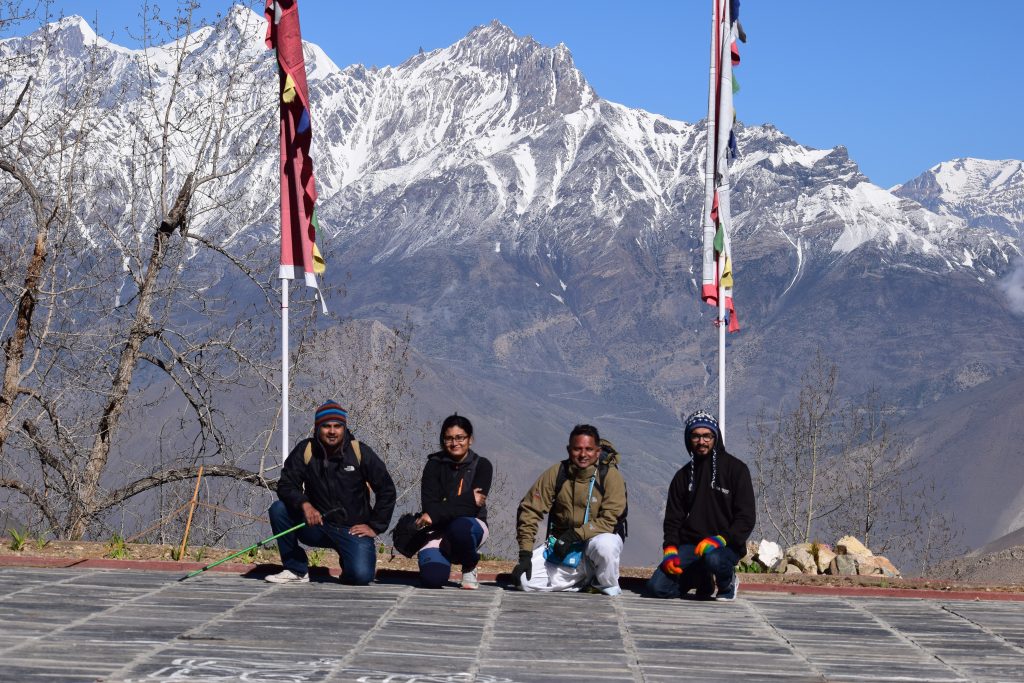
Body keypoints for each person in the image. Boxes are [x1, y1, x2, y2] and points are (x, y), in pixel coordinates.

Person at [266, 400, 397, 585]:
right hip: (316, 526)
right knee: (279, 509)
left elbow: (387, 490)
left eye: (337, 426)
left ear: (344, 428)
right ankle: (295, 568)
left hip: (353, 530)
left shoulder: (359, 452)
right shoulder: (306, 450)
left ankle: (349, 560)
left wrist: (375, 526)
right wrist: (305, 505)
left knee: (360, 576)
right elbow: (286, 485)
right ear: (317, 428)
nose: (332, 431)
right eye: (326, 426)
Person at [647, 410, 755, 601]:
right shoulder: (683, 476)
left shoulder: (736, 470)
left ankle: (727, 584)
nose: (701, 441)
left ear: (715, 436)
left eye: (707, 436)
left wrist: (721, 539)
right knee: (658, 588)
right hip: (691, 546)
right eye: (696, 436)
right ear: (689, 438)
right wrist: (670, 549)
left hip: (725, 546)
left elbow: (746, 518)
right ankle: (701, 578)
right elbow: (673, 519)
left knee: (714, 559)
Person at [511, 424, 627, 595]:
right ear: (568, 449)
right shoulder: (557, 473)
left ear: (597, 451)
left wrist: (574, 535)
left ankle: (603, 583)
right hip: (562, 546)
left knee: (605, 546)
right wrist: (525, 554)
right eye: (577, 449)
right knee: (524, 581)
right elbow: (529, 510)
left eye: (589, 449)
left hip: (595, 541)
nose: (583, 454)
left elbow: (610, 520)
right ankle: (583, 579)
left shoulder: (609, 476)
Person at [415, 414, 493, 589]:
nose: (454, 443)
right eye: (449, 438)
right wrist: (467, 499)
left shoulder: (482, 465)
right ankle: (440, 558)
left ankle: (470, 563)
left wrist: (435, 513)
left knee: (460, 527)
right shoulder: (433, 465)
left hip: (471, 526)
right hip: (437, 529)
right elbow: (429, 505)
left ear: (470, 439)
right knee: (433, 578)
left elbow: (474, 506)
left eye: (460, 438)